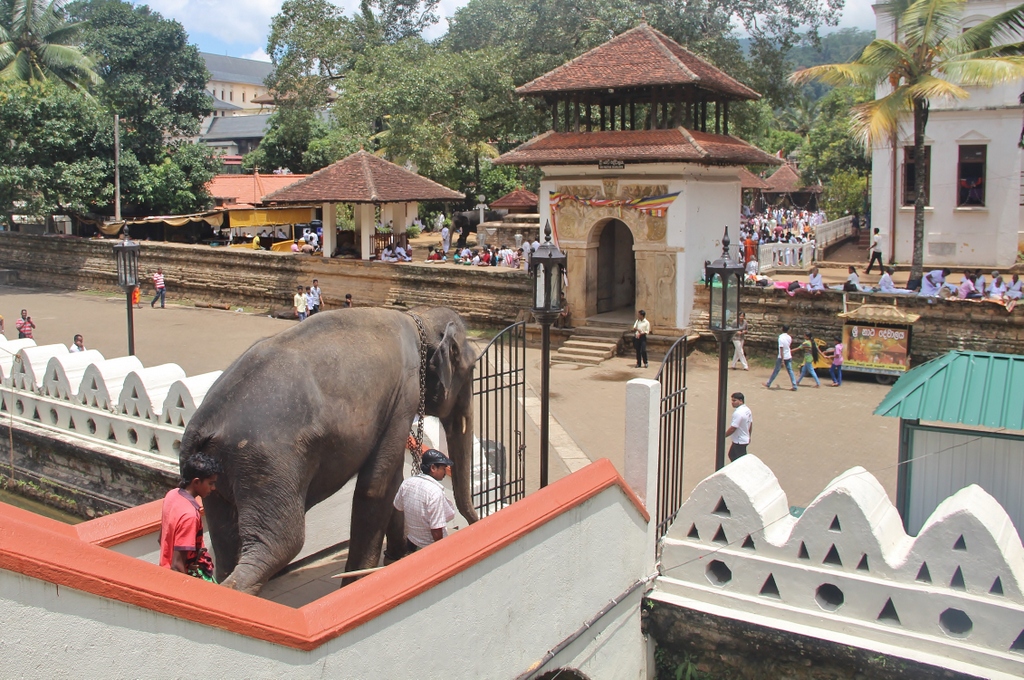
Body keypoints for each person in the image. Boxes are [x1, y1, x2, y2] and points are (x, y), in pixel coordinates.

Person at [159, 452, 221, 581]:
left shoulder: (172, 495)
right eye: (210, 483)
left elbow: (162, 538)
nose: (213, 488)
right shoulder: (190, 516)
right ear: (197, 482)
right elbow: (177, 565)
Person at [392, 449, 456, 552]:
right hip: (428, 547)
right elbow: (436, 530)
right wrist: (440, 551)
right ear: (433, 468)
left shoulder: (407, 483)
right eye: (443, 468)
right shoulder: (435, 492)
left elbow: (398, 506)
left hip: (412, 542)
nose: (445, 472)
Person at [764, 325, 798, 391]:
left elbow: (781, 349)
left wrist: (782, 360)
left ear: (782, 329)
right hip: (788, 355)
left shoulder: (781, 337)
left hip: (782, 356)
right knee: (790, 371)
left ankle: (768, 383)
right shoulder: (789, 337)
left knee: (776, 371)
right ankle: (794, 385)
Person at [724, 393, 752, 462]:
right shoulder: (747, 410)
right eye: (732, 400)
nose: (732, 403)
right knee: (732, 455)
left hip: (739, 441)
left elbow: (733, 428)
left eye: (734, 401)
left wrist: (723, 436)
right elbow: (750, 424)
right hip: (743, 439)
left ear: (741, 401)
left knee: (740, 460)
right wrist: (748, 436)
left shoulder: (738, 413)